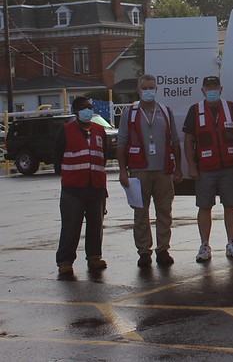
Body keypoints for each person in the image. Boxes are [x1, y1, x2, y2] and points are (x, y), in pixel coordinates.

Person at [118, 74, 183, 268]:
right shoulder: (130, 113)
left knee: (164, 211)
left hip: (163, 171)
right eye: (145, 88)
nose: (148, 91)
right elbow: (121, 143)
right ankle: (144, 251)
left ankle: (163, 249)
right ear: (138, 90)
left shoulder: (165, 111)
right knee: (140, 213)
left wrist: (178, 169)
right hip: (139, 171)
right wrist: (122, 171)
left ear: (156, 89)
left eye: (151, 88)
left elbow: (175, 141)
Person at [183, 76, 233, 263]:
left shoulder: (231, 108)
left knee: (230, 205)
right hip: (205, 169)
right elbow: (188, 140)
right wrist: (191, 165)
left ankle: (232, 243)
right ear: (203, 90)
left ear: (221, 89)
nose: (212, 90)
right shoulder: (195, 110)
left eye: (215, 87)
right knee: (204, 207)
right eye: (208, 87)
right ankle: (204, 245)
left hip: (229, 167)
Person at [54, 97, 108, 277]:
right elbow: (57, 156)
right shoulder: (65, 130)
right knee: (71, 226)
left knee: (96, 224)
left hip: (96, 185)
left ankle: (94, 257)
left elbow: (104, 155)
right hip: (73, 187)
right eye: (84, 108)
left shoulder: (99, 130)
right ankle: (65, 262)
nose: (88, 110)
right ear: (76, 111)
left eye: (90, 107)